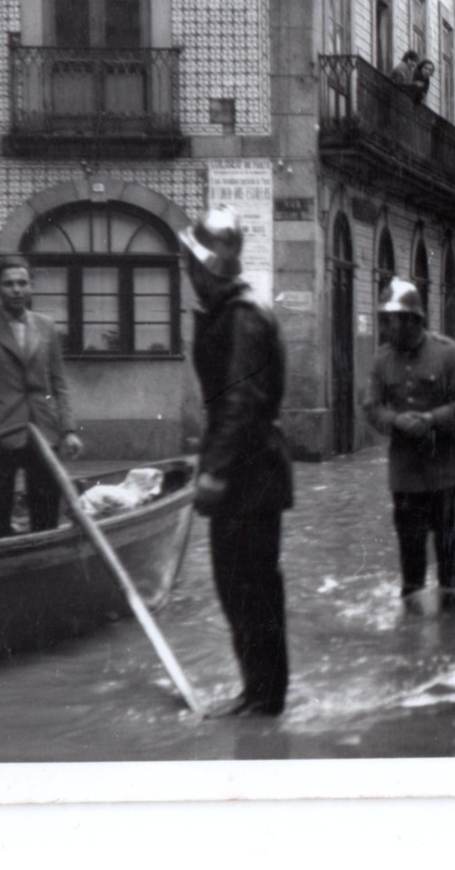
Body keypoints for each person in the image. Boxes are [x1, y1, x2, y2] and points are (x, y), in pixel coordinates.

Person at [179, 207, 293, 717]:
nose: (187, 274)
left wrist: (215, 471)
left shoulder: (244, 315)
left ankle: (266, 701)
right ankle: (256, 693)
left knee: (251, 590)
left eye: (191, 264)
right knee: (236, 590)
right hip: (244, 474)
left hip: (251, 477)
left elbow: (240, 401)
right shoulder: (230, 311)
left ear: (209, 266)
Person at [363, 277, 455, 616]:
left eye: (391, 319)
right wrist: (394, 421)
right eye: (383, 319)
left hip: (447, 474)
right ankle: (412, 640)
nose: (385, 326)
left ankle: (453, 636)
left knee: (450, 563)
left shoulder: (448, 355)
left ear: (413, 320)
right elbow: (371, 406)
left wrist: (432, 419)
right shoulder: (382, 360)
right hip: (406, 477)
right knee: (411, 563)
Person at [0, 255, 84, 539]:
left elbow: (59, 384)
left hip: (43, 433)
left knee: (46, 514)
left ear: (32, 286)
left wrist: (69, 429)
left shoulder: (46, 326)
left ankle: (42, 570)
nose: (17, 289)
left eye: (22, 283)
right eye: (9, 284)